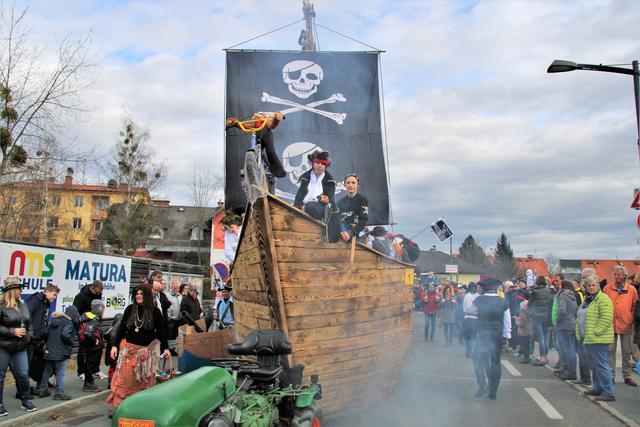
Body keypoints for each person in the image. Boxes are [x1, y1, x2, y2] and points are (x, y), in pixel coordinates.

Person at [107, 285, 169, 410]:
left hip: (146, 354)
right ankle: (120, 408)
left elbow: (162, 332)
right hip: (129, 352)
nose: (138, 296)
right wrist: (114, 346)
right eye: (137, 293)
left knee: (144, 382)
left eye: (141, 293)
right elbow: (121, 329)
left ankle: (141, 408)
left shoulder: (155, 312)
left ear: (147, 296)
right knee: (125, 380)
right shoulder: (130, 309)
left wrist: (166, 348)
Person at [0, 277, 37, 415]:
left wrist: (29, 336)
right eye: (19, 288)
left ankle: (25, 400)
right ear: (12, 289)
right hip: (3, 346)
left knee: (23, 374)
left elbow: (29, 323)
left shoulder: (22, 304)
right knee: (1, 376)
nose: (21, 290)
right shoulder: (1, 305)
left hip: (20, 347)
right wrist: (12, 331)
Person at [226, 112, 286, 193]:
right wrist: (234, 122)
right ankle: (252, 169)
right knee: (256, 152)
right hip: (258, 139)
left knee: (271, 152)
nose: (255, 117)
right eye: (254, 117)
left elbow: (272, 125)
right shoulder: (254, 127)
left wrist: (277, 119)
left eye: (258, 116)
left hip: (267, 137)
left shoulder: (266, 124)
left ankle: (278, 170)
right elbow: (244, 125)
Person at [578, 275, 615, 401]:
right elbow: (580, 317)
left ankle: (608, 392)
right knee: (594, 365)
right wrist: (579, 332)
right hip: (587, 338)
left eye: (593, 285)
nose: (591, 287)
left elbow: (607, 317)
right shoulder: (587, 300)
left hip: (599, 338)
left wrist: (597, 331)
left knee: (601, 364)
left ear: (598, 285)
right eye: (588, 285)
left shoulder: (603, 299)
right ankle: (597, 388)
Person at [472, 279, 511, 400]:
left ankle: (482, 385)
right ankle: (493, 391)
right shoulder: (503, 302)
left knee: (478, 360)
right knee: (495, 362)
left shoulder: (478, 300)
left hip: (482, 334)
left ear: (484, 288)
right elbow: (507, 321)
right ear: (495, 288)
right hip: (497, 334)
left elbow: (472, 314)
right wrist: (506, 336)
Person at [602, 265, 638, 387]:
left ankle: (627, 376)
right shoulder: (607, 288)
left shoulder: (632, 290)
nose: (616, 277)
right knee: (610, 350)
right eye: (615, 274)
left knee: (627, 351)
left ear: (624, 276)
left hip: (626, 324)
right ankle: (610, 375)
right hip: (610, 324)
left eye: (619, 275)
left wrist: (630, 317)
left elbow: (635, 306)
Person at [37, 309, 74, 400]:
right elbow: (65, 335)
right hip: (61, 351)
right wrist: (70, 343)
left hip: (49, 350)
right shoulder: (68, 323)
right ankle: (59, 393)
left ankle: (43, 389)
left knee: (47, 369)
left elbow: (45, 334)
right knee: (60, 371)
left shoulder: (51, 323)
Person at [26, 284, 59, 384]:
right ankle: (23, 389)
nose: (54, 297)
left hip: (39, 339)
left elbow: (42, 321)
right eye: (54, 294)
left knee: (40, 362)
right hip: (31, 339)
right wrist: (31, 334)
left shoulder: (45, 303)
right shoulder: (35, 300)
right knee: (27, 364)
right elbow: (26, 317)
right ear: (47, 292)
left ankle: (41, 383)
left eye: (56, 295)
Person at [73, 280, 103, 380]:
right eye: (97, 292)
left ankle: (94, 370)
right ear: (92, 288)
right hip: (83, 325)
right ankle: (81, 372)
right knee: (83, 348)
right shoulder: (81, 297)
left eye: (99, 293)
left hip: (94, 324)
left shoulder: (98, 295)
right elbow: (76, 313)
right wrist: (87, 317)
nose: (98, 294)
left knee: (97, 347)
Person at [293, 150, 336, 221]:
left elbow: (330, 200)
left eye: (323, 163)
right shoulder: (305, 178)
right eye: (317, 162)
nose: (320, 166)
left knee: (310, 206)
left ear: (325, 166)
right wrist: (296, 207)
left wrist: (319, 199)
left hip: (320, 209)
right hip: (303, 207)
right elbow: (299, 196)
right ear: (313, 164)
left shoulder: (329, 181)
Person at [79, 300, 105, 392]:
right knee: (90, 364)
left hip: (89, 346)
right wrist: (95, 341)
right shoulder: (94, 320)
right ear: (100, 309)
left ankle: (89, 383)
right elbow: (88, 333)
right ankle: (89, 384)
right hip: (93, 347)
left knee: (89, 364)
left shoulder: (88, 317)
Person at [555, 280, 578, 380]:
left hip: (564, 325)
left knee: (566, 350)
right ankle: (570, 370)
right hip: (572, 323)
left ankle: (570, 372)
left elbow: (562, 310)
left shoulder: (562, 296)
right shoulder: (573, 296)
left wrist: (557, 320)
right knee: (571, 349)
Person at [335, 173, 368, 242]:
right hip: (341, 236)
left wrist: (350, 233)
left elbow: (363, 220)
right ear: (345, 185)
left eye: (353, 183)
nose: (350, 185)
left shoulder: (362, 200)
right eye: (348, 183)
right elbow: (337, 220)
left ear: (358, 185)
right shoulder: (340, 202)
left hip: (354, 237)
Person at [528, 275, 551, 366]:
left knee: (540, 337)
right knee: (545, 337)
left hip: (537, 316)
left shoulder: (534, 291)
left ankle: (542, 358)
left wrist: (531, 313)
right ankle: (545, 356)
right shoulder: (549, 291)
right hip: (547, 316)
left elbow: (529, 304)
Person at [462, 283, 480, 358]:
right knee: (472, 336)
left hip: (467, 318)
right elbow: (469, 308)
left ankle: (468, 351)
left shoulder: (467, 296)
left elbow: (464, 308)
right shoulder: (472, 296)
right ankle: (470, 352)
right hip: (473, 318)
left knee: (469, 337)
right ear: (473, 288)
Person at [164, 281, 183, 356]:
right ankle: (167, 350)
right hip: (170, 319)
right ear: (171, 287)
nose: (176, 289)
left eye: (178, 288)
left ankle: (172, 349)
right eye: (175, 288)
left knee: (175, 335)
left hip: (178, 319)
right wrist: (167, 316)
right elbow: (165, 307)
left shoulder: (180, 296)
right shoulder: (167, 295)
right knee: (169, 335)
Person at [516, 292, 533, 364]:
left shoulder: (522, 307)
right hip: (530, 328)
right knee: (528, 344)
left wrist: (516, 320)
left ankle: (526, 358)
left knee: (524, 344)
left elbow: (521, 323)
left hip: (523, 330)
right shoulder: (531, 305)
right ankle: (528, 356)